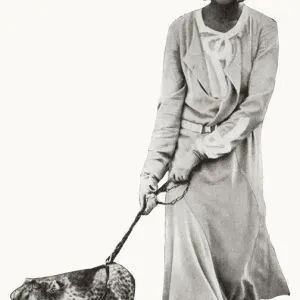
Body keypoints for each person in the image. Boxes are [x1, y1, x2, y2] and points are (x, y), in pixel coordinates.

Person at [139, 0, 290, 299]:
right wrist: (151, 174)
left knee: (239, 278)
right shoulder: (180, 30)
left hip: (238, 172)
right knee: (191, 285)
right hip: (186, 182)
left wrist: (198, 152)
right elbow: (168, 109)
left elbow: (254, 109)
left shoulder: (264, 29)